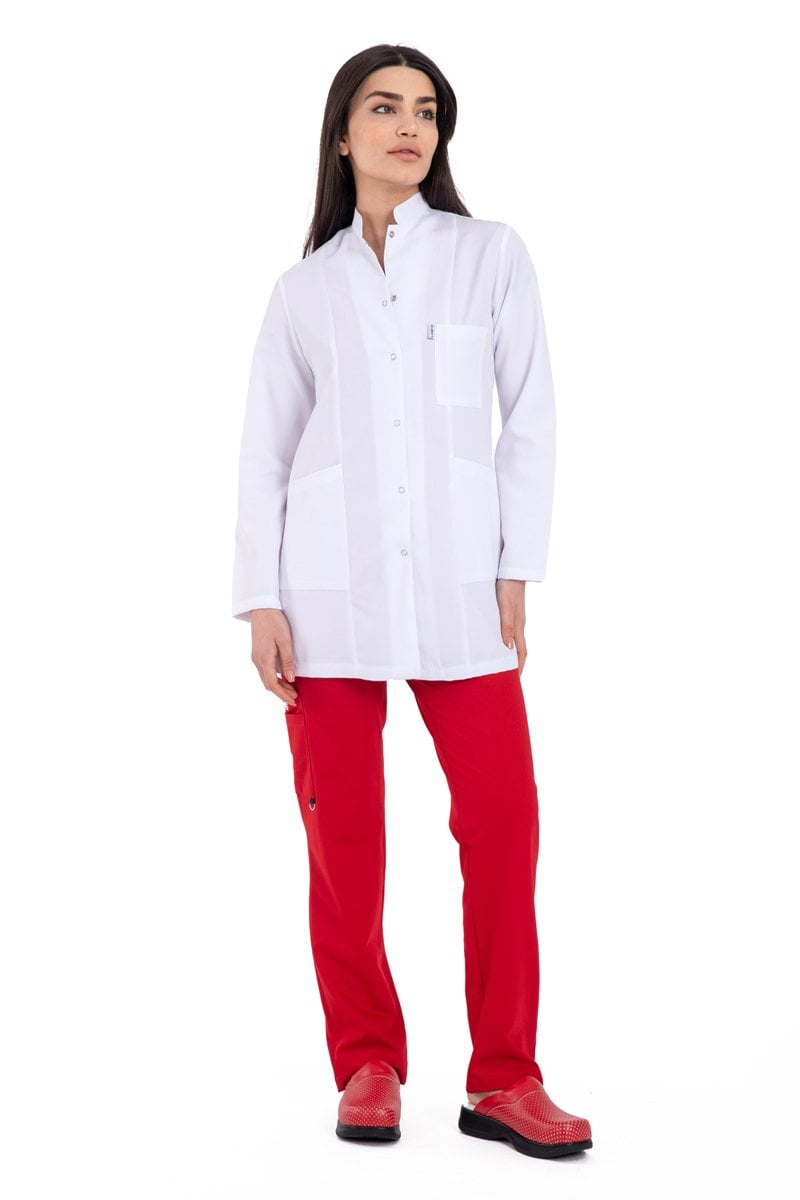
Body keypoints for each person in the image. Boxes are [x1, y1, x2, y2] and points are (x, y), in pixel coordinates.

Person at [231, 42, 593, 1159]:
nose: (408, 128)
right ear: (342, 137)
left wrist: (515, 567)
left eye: (426, 111)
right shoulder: (304, 289)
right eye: (383, 109)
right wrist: (260, 598)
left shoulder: (490, 257)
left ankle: (506, 1077)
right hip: (324, 587)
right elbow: (265, 451)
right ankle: (367, 1065)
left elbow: (530, 417)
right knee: (342, 840)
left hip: (460, 587)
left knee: (503, 824)